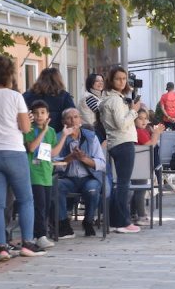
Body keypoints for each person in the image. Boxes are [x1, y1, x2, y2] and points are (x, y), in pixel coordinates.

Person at [0, 56, 41, 258]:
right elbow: (24, 128)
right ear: (8, 76)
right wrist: (27, 121)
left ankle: (2, 247)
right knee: (25, 199)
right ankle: (27, 244)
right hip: (13, 151)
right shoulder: (15, 97)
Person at [99, 66, 142, 234]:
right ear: (111, 80)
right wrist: (133, 111)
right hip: (122, 142)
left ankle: (115, 220)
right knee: (124, 183)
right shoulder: (115, 100)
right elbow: (121, 123)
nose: (122, 81)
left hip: (117, 142)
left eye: (124, 79)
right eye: (118, 78)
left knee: (121, 183)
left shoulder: (112, 98)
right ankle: (122, 222)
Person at [25, 100, 70, 249]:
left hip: (45, 173)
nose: (39, 116)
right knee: (39, 205)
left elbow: (51, 154)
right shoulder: (29, 129)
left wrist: (63, 136)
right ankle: (39, 235)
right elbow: (31, 148)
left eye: (42, 113)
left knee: (45, 206)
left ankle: (39, 234)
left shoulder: (51, 131)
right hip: (33, 173)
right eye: (36, 113)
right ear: (31, 115)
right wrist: (42, 131)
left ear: (48, 115)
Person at [55, 108, 106, 237]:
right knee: (56, 186)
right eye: (69, 118)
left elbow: (101, 163)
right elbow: (53, 164)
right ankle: (63, 224)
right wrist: (68, 159)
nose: (73, 121)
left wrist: (84, 159)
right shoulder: (58, 137)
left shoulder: (91, 137)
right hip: (68, 178)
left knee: (92, 189)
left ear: (81, 120)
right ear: (63, 122)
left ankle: (88, 222)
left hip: (88, 178)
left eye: (76, 117)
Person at [131, 108, 165, 225]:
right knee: (140, 191)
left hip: (138, 165)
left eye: (145, 118)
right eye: (140, 118)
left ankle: (134, 213)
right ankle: (141, 216)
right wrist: (156, 133)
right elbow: (149, 146)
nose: (143, 121)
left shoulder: (142, 131)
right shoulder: (139, 132)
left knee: (136, 190)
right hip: (140, 166)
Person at [23, 67, 76, 133]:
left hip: (32, 133)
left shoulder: (28, 95)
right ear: (58, 80)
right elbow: (72, 115)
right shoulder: (64, 96)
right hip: (57, 133)